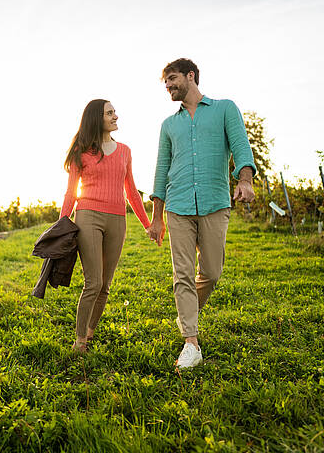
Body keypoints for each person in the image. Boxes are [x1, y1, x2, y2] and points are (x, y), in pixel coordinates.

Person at [147, 58, 256, 368]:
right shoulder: (169, 125)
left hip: (214, 201)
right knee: (181, 274)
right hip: (178, 206)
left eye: (171, 79)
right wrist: (157, 216)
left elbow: (240, 147)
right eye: (165, 82)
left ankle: (187, 314)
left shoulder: (224, 108)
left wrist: (245, 180)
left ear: (190, 76)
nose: (167, 86)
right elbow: (161, 169)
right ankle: (191, 343)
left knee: (211, 272)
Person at [60, 99, 151, 353]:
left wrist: (147, 224)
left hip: (117, 219)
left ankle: (89, 335)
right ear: (96, 118)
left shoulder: (124, 151)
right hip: (88, 215)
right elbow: (70, 193)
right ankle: (78, 342)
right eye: (110, 113)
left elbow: (131, 191)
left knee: (106, 284)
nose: (115, 116)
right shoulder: (82, 149)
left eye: (114, 112)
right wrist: (61, 226)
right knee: (93, 282)